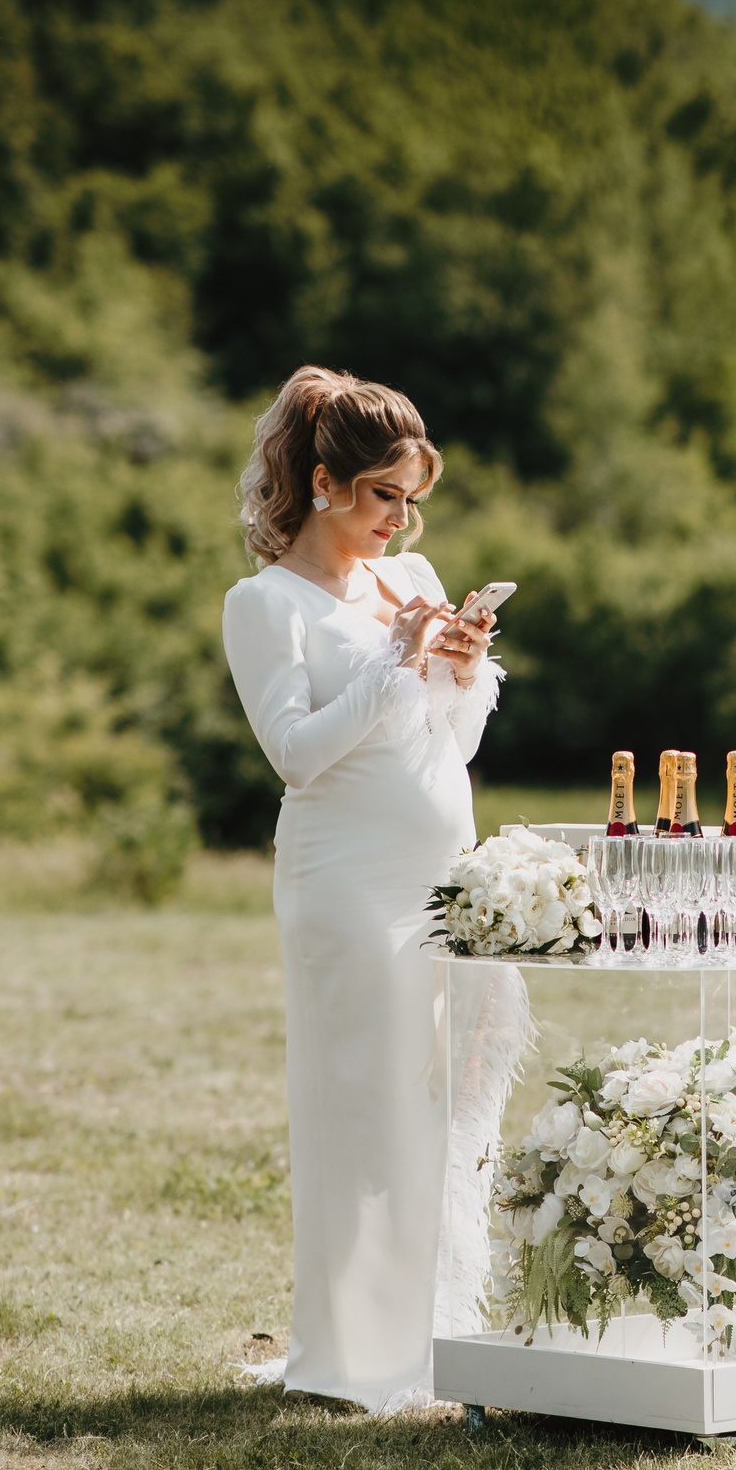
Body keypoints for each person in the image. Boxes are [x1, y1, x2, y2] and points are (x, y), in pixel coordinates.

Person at [223, 366, 499, 1412]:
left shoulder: (412, 574)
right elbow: (297, 754)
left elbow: (444, 741)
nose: (401, 517)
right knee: (364, 1105)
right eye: (385, 493)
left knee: (440, 1106)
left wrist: (459, 670)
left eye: (411, 496)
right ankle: (355, 1355)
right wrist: (393, 661)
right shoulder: (265, 605)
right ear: (327, 481)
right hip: (345, 883)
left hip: (441, 869)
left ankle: (441, 1334)